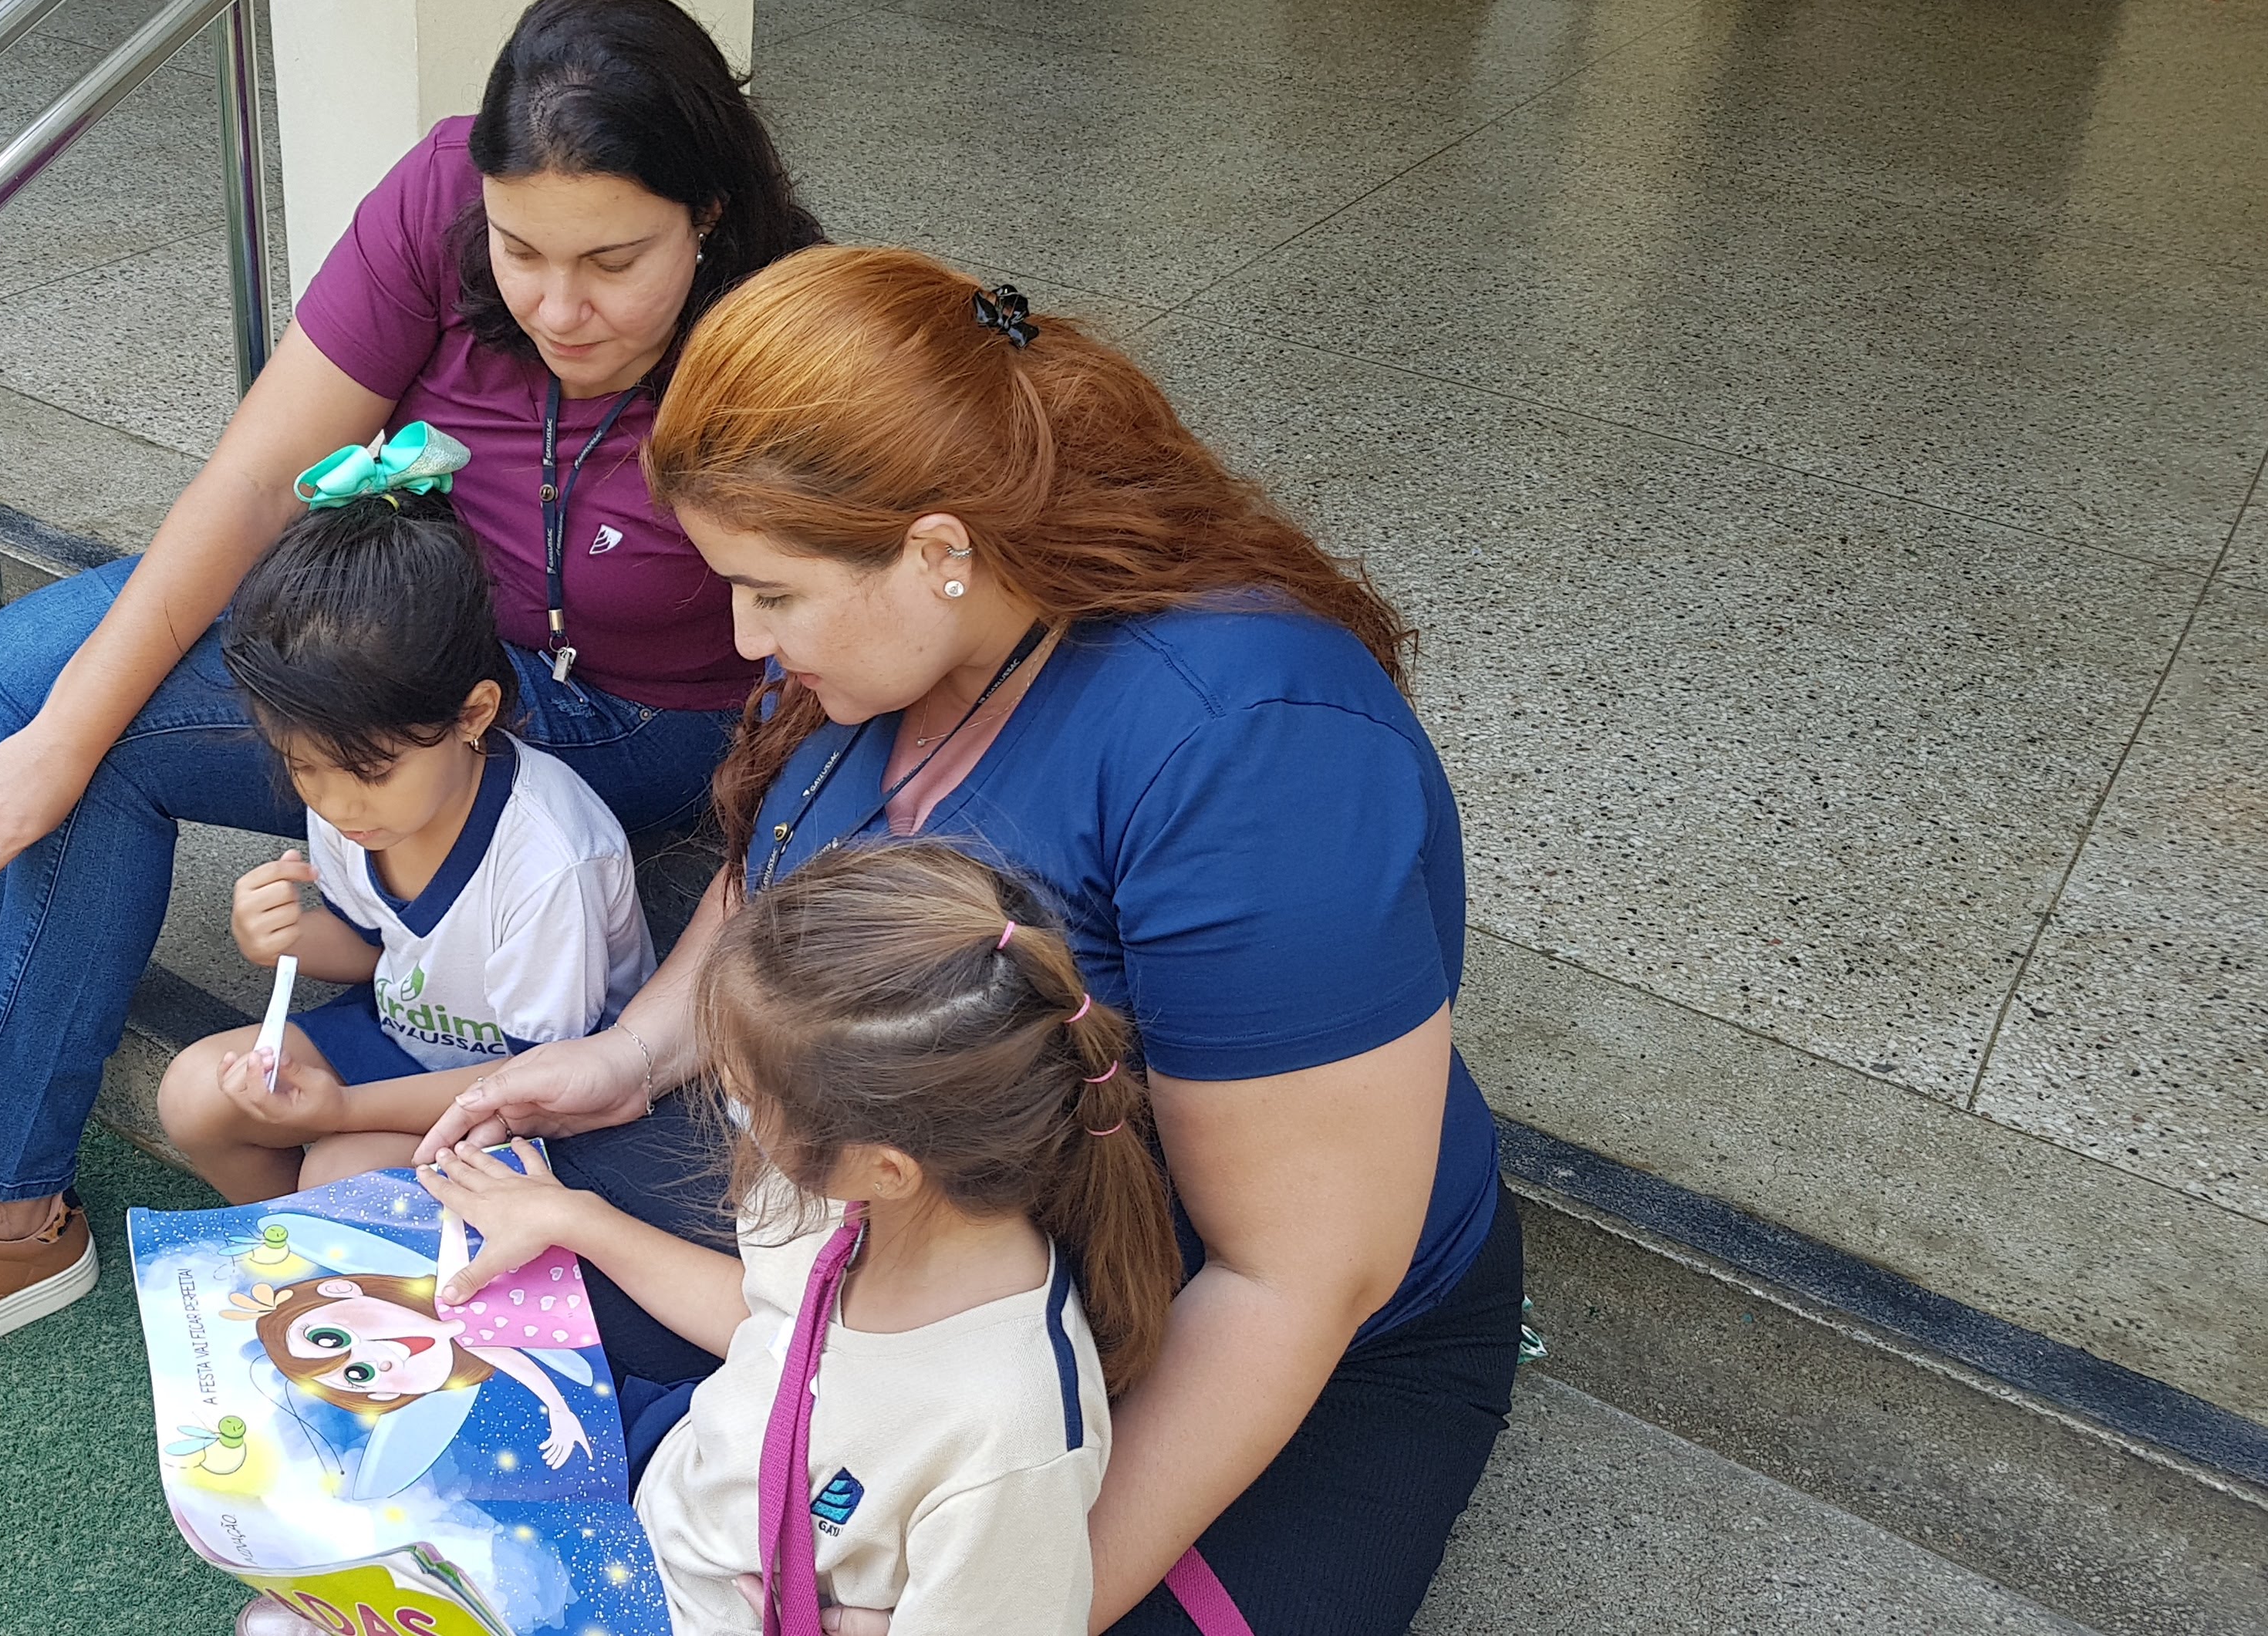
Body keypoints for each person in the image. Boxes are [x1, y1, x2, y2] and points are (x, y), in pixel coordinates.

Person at [0, 0, 823, 1395]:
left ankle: (2, 1204)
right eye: (521, 250)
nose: (558, 305)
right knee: (35, 674)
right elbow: (254, 480)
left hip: (630, 723)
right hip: (426, 635)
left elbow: (821, 658)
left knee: (107, 739)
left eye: (612, 261)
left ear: (708, 215)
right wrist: (59, 732)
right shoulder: (437, 195)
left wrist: (88, 740)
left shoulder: (787, 332)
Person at [420, 246, 1520, 1634]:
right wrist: (635, 1053)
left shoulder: (1257, 752)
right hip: (915, 1218)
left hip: (1267, 1325)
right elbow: (778, 867)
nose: (747, 640)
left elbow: (1293, 1278)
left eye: (771, 592)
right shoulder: (899, 642)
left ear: (939, 551)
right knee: (470, 1286)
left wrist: (1013, 1604)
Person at [417, 842, 1176, 1636]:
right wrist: (574, 1218)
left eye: (746, 1097)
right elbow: (777, 1331)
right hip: (669, 1487)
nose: (731, 1109)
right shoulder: (838, 1197)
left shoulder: (1008, 1439)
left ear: (885, 1167)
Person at [154, 462, 653, 1203]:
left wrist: (343, 1112)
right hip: (405, 1039)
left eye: (370, 770)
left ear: (474, 714)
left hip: (542, 1103)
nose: (335, 803)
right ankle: (291, 1245)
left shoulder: (550, 860)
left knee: (341, 1172)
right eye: (302, 766)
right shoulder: (354, 800)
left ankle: (336, 1246)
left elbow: (537, 1083)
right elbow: (374, 946)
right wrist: (279, 940)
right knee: (196, 1093)